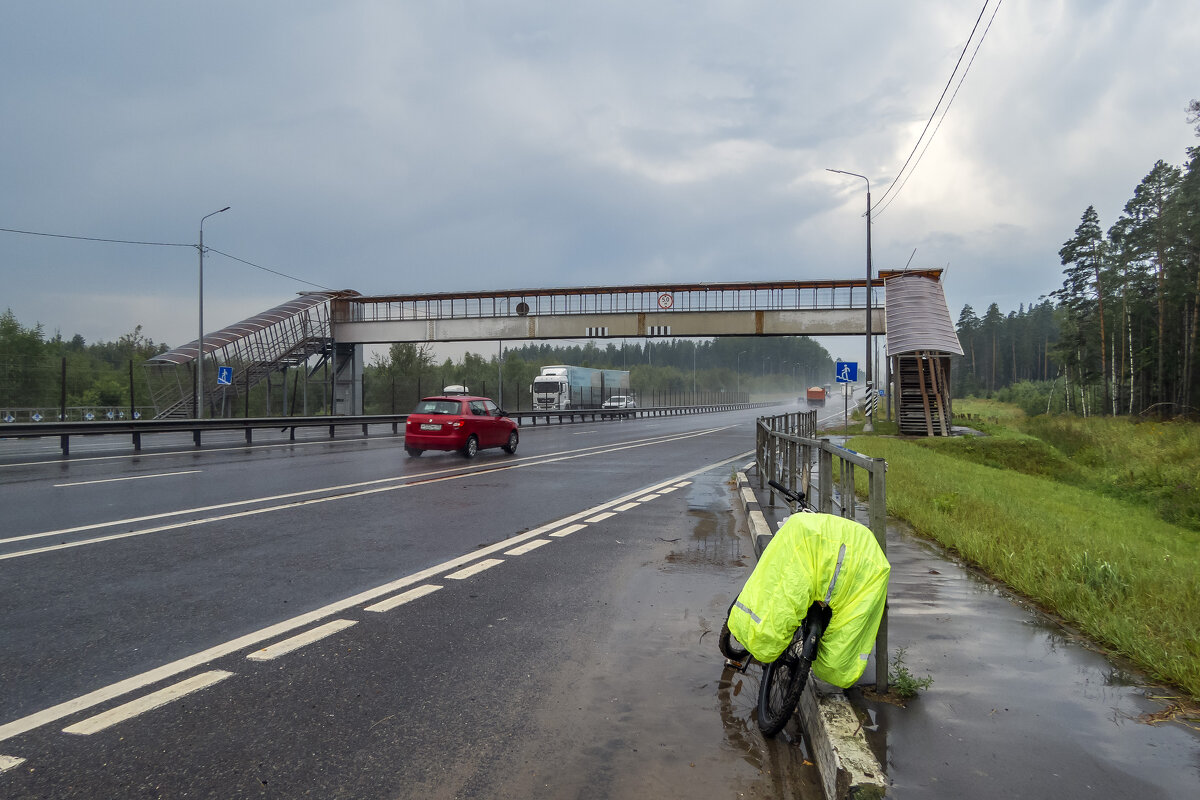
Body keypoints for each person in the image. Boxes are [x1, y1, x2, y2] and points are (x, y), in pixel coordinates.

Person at [725, 511, 890, 688]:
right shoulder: (867, 544)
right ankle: (833, 667)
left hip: (818, 552)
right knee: (847, 618)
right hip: (862, 562)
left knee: (782, 590)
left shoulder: (801, 524)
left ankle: (764, 638)